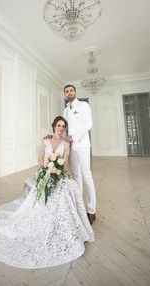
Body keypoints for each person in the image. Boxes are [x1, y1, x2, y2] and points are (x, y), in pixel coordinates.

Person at [0, 116, 94, 269]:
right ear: (54, 126)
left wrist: (57, 170)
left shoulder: (66, 143)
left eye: (63, 126)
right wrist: (48, 168)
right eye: (59, 125)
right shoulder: (46, 141)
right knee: (48, 189)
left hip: (59, 173)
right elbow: (40, 158)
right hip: (44, 171)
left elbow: (64, 160)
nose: (61, 128)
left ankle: (64, 222)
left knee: (68, 187)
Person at [63, 85, 96, 224]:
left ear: (75, 92)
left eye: (71, 90)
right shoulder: (65, 110)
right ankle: (79, 208)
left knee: (86, 175)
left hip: (82, 145)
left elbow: (88, 124)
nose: (69, 93)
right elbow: (64, 128)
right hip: (72, 147)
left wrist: (74, 138)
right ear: (65, 95)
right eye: (67, 91)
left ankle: (91, 210)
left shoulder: (83, 105)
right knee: (76, 176)